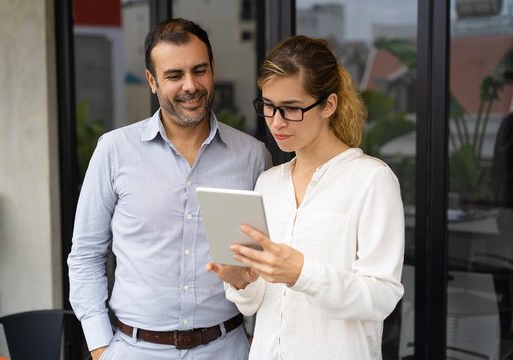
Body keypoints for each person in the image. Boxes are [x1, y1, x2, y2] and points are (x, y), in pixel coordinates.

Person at [68, 18, 271, 360]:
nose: (190, 85)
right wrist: (101, 346)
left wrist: (257, 340)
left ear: (213, 70)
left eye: (199, 70)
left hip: (228, 348)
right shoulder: (114, 151)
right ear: (152, 80)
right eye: (174, 75)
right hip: (133, 349)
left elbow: (267, 260)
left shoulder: (252, 156)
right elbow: (86, 255)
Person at [206, 35, 405, 359]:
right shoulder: (268, 184)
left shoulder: (371, 180)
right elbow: (256, 302)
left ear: (329, 104)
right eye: (268, 107)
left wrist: (303, 273)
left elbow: (382, 296)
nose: (276, 122)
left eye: (292, 109)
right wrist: (240, 280)